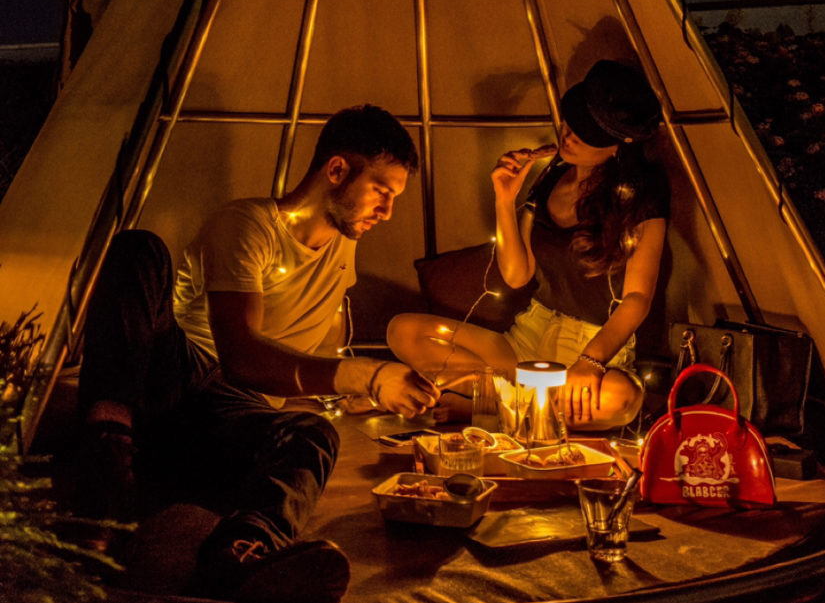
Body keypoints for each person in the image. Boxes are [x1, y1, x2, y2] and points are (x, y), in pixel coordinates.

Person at [74, 104, 438, 603]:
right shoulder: (249, 225)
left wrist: (344, 391)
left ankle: (241, 555)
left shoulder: (343, 243)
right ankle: (105, 470)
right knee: (141, 249)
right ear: (336, 170)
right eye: (381, 191)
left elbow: (321, 329)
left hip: (231, 425)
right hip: (179, 382)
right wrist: (365, 376)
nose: (387, 211)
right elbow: (240, 356)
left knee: (312, 435)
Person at [387, 60, 669, 432]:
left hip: (591, 346)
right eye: (569, 123)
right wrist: (504, 198)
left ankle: (487, 406)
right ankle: (519, 409)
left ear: (617, 146)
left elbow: (637, 299)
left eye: (585, 135)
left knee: (623, 399)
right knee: (403, 331)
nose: (568, 136)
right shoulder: (551, 176)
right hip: (530, 339)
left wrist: (592, 361)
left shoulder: (640, 195)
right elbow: (517, 275)